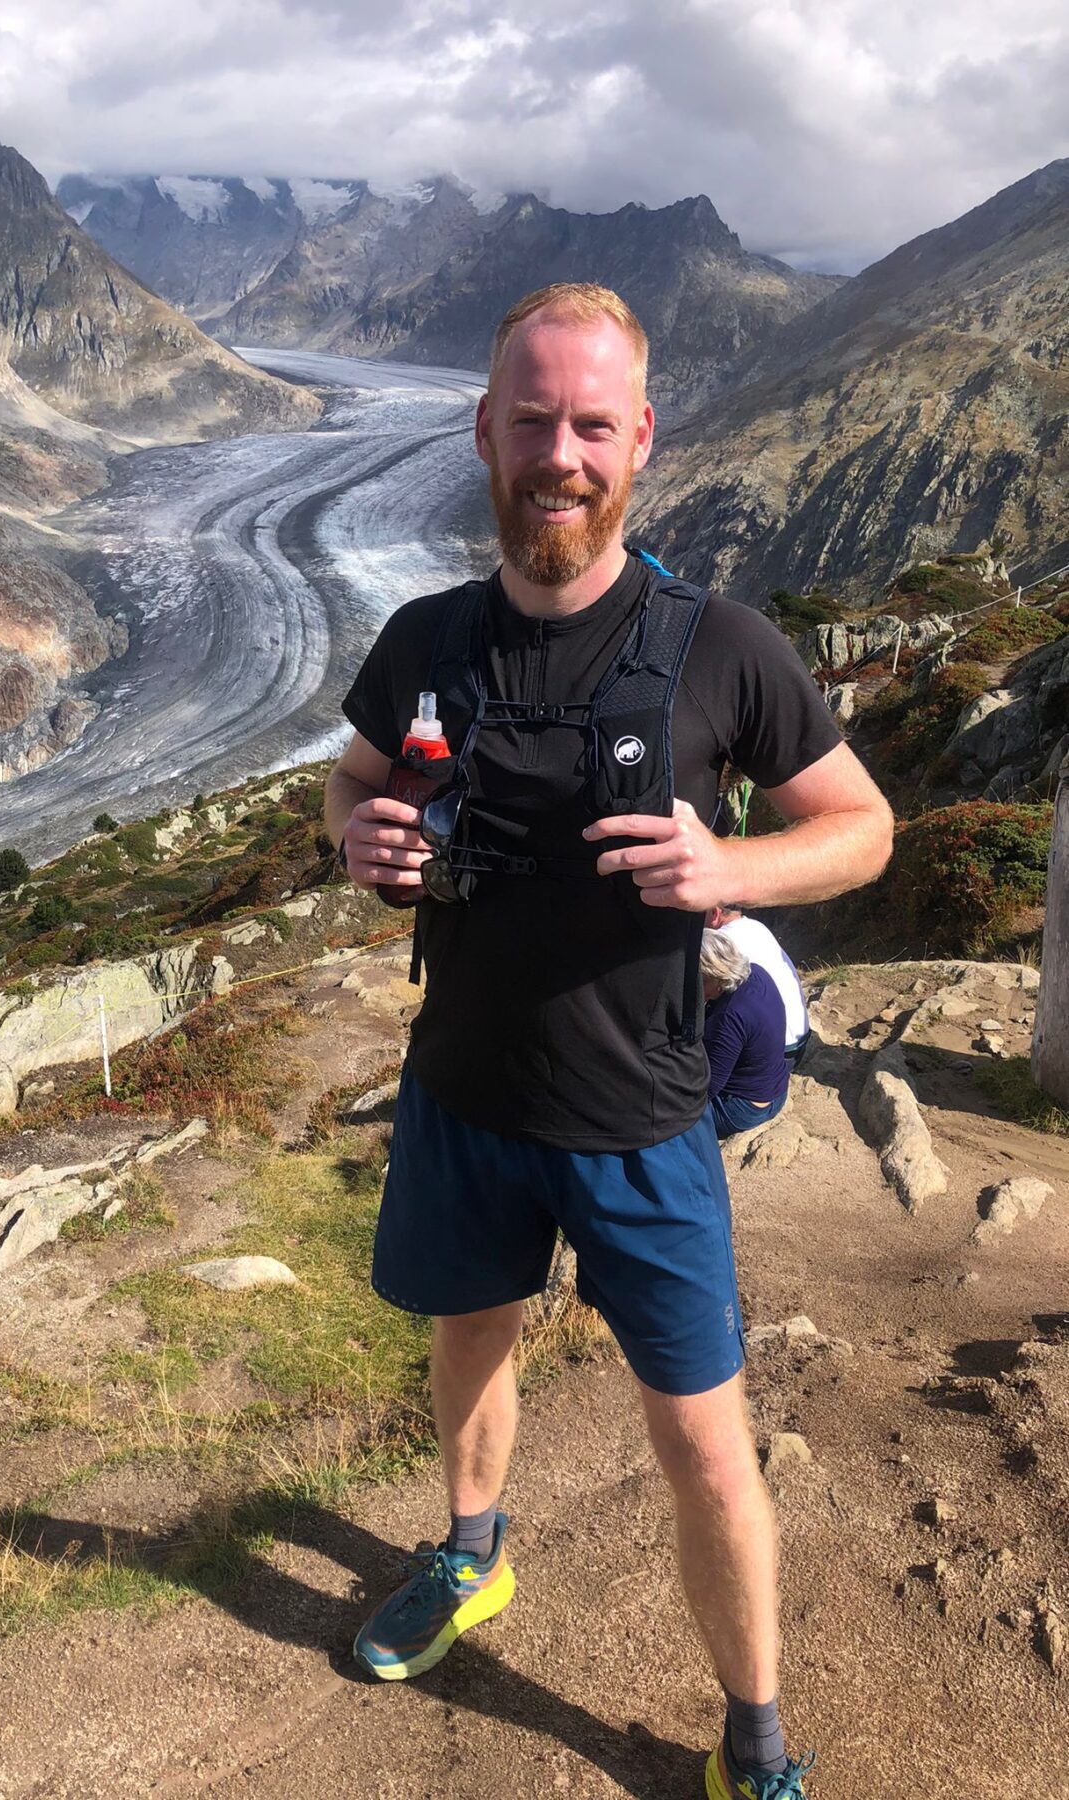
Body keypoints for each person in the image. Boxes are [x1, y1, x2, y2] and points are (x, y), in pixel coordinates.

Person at [323, 281, 893, 1800]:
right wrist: (357, 838)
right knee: (468, 1344)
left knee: (705, 1443)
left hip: (644, 1119)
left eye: (589, 424)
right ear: (485, 431)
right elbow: (352, 782)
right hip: (458, 1093)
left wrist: (733, 868)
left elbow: (859, 830)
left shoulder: (721, 647)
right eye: (529, 421)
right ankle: (469, 1557)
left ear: (638, 438)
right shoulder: (424, 637)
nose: (556, 454)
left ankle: (753, 1736)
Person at [701, 930, 791, 1138]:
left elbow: (708, 1088)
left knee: (666, 1122)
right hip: (776, 1088)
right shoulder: (757, 973)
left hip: (743, 1108)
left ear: (714, 977)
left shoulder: (729, 1015)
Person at [708, 902, 812, 1068]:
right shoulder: (755, 926)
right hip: (798, 1041)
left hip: (777, 1053)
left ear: (714, 913)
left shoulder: (722, 942)